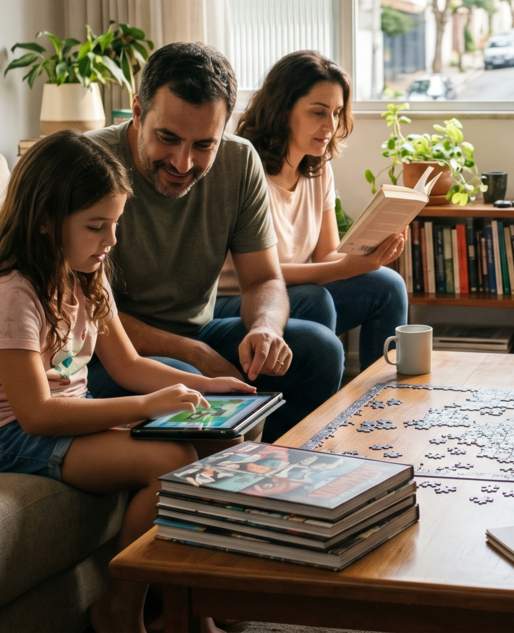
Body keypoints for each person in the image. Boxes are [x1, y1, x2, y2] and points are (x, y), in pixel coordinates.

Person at [0, 131, 249, 632]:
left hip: (58, 418)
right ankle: (119, 610)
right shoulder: (8, 294)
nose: (111, 241)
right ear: (45, 220)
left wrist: (211, 386)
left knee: (217, 440)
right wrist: (148, 406)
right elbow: (36, 414)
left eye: (114, 225)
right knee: (170, 460)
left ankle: (193, 605)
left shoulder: (86, 273)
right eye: (96, 226)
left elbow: (127, 366)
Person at [84, 42, 344, 442]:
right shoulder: (90, 164)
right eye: (167, 138)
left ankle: (268, 462)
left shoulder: (239, 161)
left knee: (321, 350)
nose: (182, 163)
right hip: (109, 353)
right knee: (191, 387)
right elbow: (91, 313)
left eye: (204, 144)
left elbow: (263, 281)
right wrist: (197, 355)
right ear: (138, 112)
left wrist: (265, 328)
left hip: (197, 332)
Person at [217, 50, 407, 371]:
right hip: (242, 299)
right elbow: (259, 272)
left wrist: (368, 255)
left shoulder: (318, 169)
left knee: (387, 285)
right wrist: (348, 267)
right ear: (282, 109)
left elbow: (325, 256)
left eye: (336, 113)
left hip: (294, 291)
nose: (330, 125)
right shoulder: (244, 168)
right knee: (315, 300)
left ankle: (381, 402)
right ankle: (317, 410)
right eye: (318, 112)